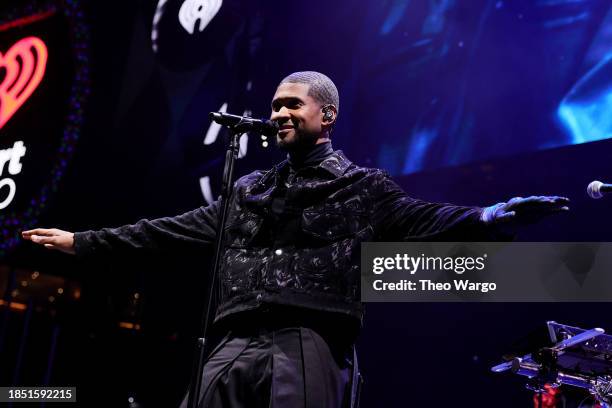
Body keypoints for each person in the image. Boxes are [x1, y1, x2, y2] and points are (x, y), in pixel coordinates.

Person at [22, 71, 569, 408]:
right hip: (231, 339)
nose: (279, 113)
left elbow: (425, 217)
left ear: (326, 116)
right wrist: (83, 241)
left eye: (292, 105)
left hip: (308, 338)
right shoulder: (249, 188)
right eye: (276, 105)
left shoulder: (362, 187)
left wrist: (492, 214)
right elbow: (168, 231)